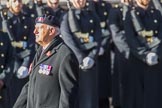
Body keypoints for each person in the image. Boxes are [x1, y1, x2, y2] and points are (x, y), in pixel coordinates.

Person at [13, 14, 79, 108]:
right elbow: (31, 85)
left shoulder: (64, 55)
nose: (35, 31)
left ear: (51, 31)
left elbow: (68, 94)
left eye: (39, 28)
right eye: (35, 28)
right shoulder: (40, 51)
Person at [61, 0, 101, 108]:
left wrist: (92, 57)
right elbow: (68, 39)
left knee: (89, 96)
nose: (79, 1)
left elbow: (98, 38)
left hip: (90, 63)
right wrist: (80, 57)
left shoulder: (93, 16)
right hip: (75, 62)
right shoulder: (66, 18)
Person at [124, 0, 162, 107]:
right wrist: (145, 55)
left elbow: (161, 35)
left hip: (156, 60)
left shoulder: (157, 14)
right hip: (138, 60)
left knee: (155, 95)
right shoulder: (130, 14)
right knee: (138, 96)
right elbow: (131, 39)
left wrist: (155, 53)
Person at [0, 0, 36, 107]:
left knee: (23, 98)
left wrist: (25, 65)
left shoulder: (28, 20)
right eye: (14, 1)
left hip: (24, 64)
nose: (17, 4)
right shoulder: (3, 19)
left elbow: (31, 44)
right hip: (8, 67)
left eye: (20, 1)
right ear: (8, 3)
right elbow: (7, 47)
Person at [93, 0, 112, 108]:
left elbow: (109, 28)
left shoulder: (107, 6)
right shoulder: (85, 5)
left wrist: (102, 46)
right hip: (88, 51)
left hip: (103, 52)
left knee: (103, 86)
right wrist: (94, 47)